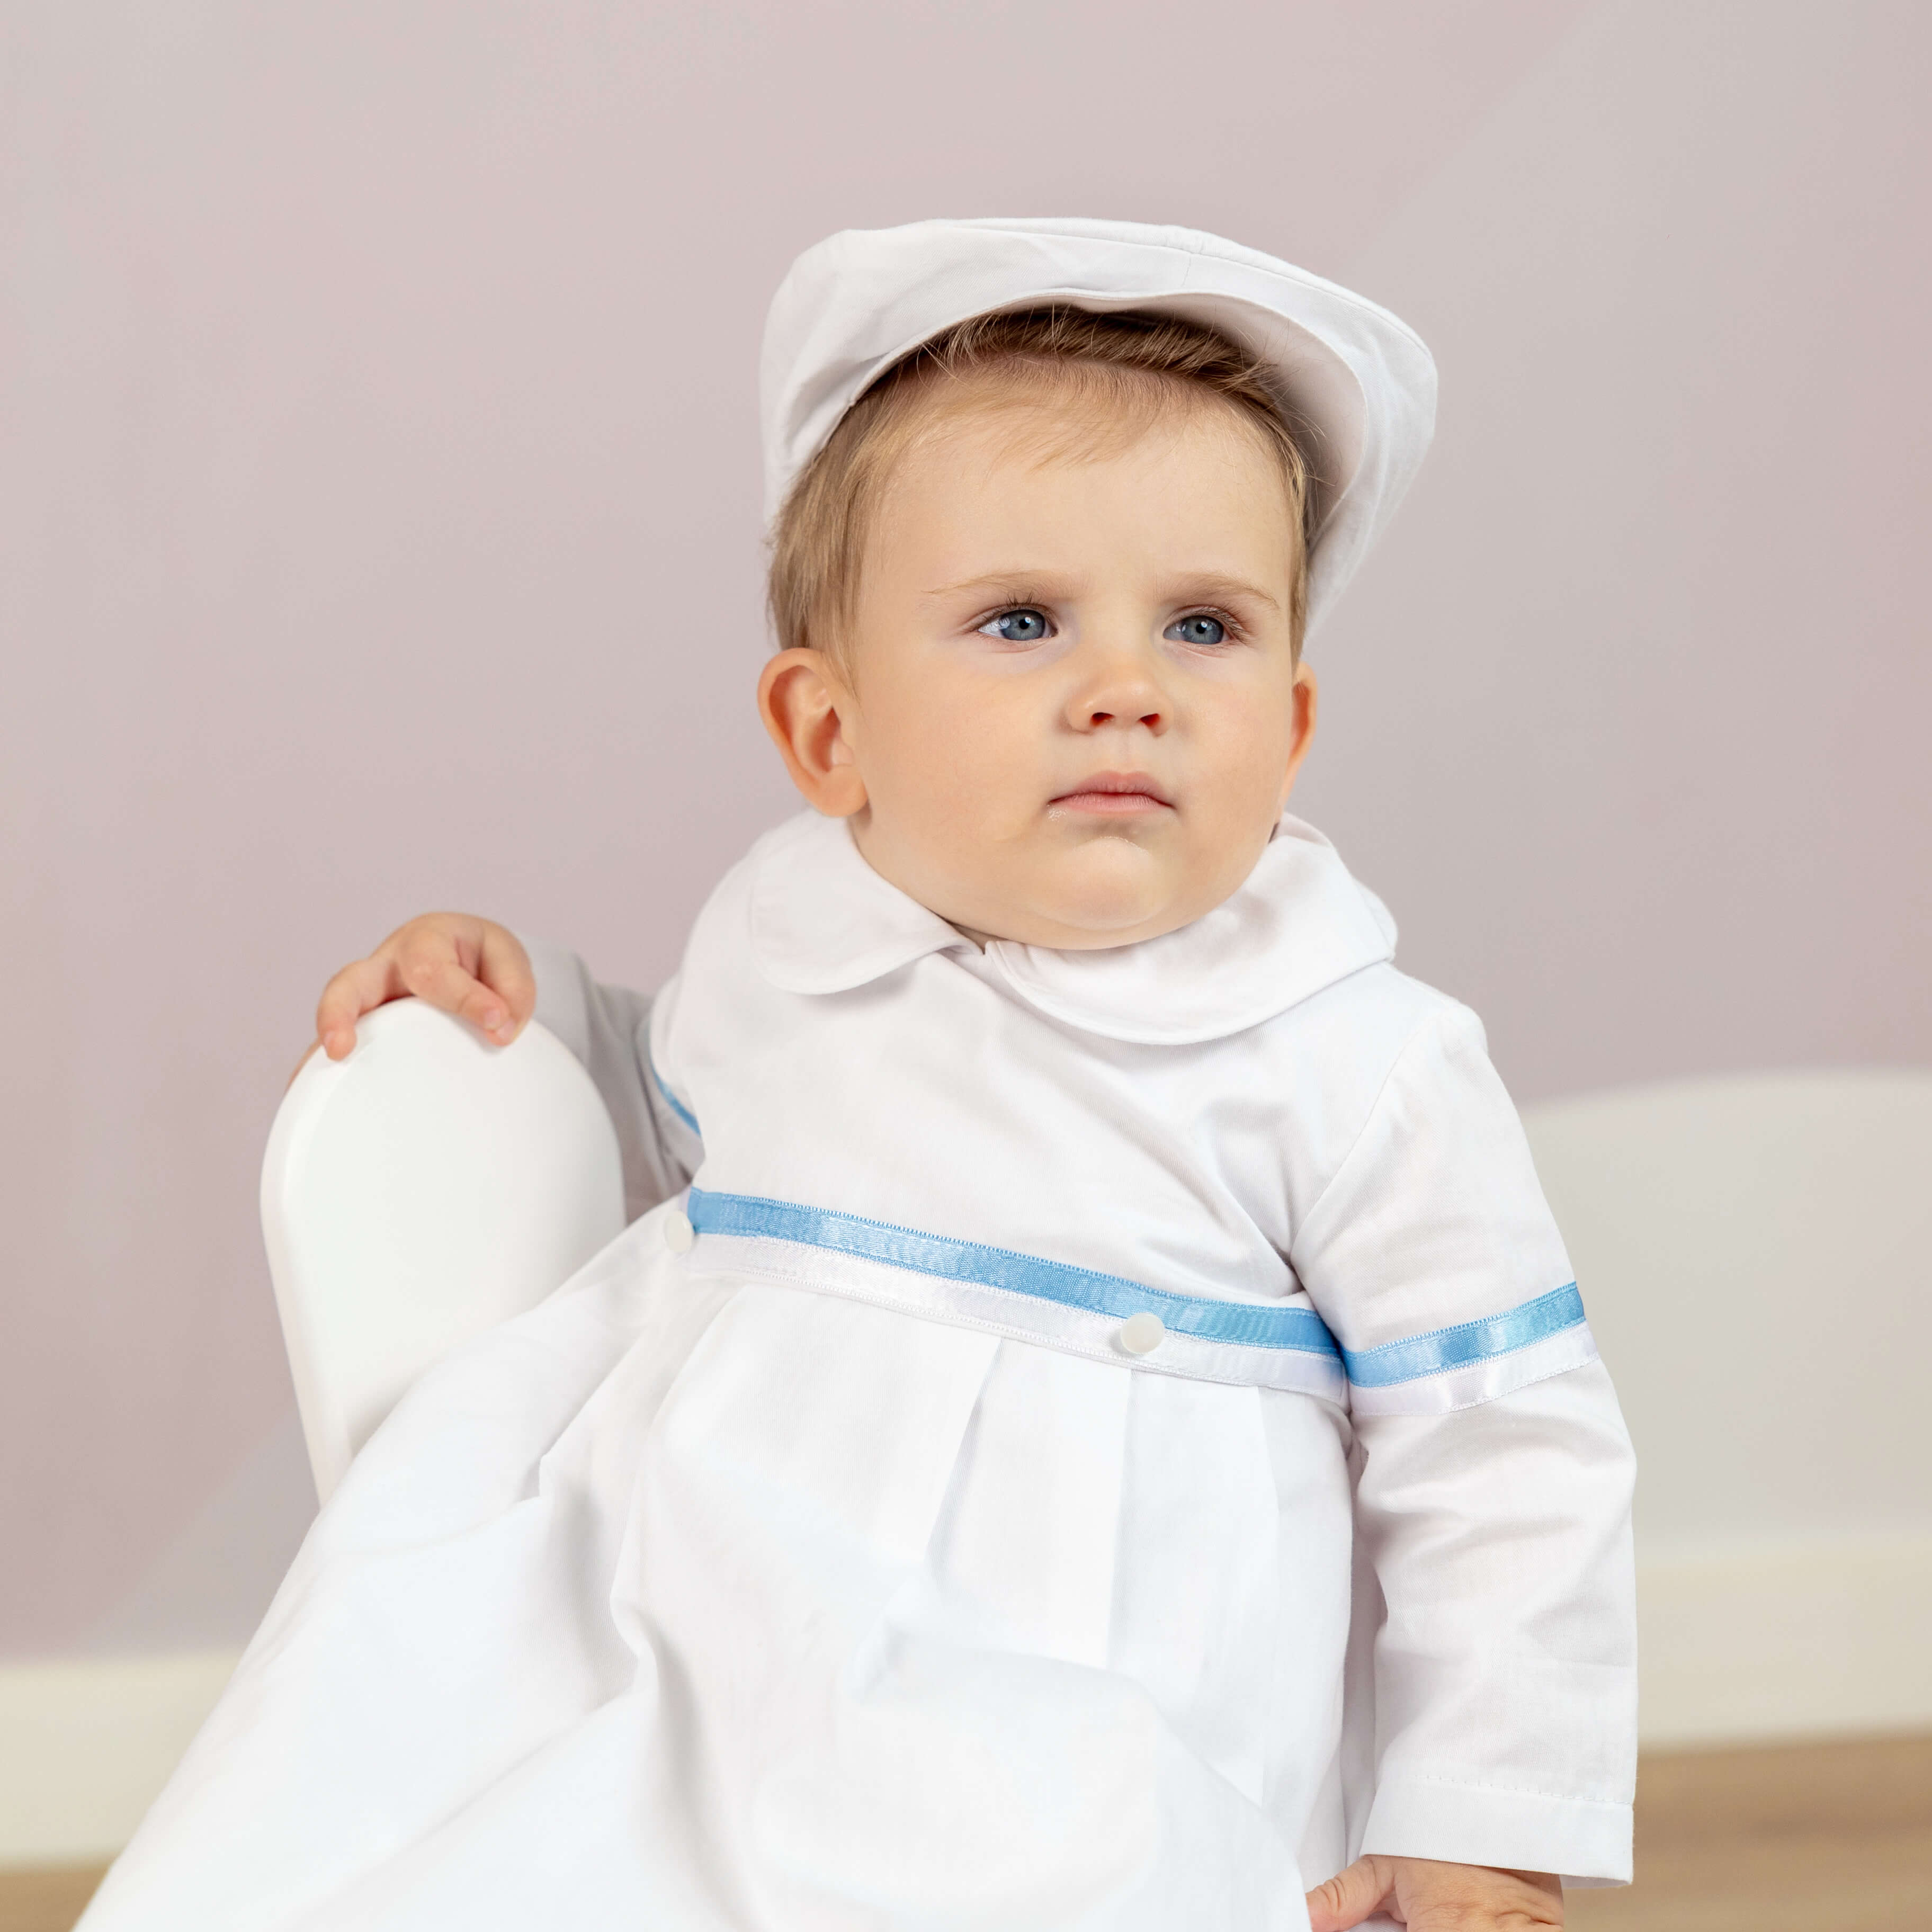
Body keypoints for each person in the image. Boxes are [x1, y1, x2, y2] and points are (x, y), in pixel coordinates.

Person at [82, 219, 1635, 1932]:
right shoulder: (787, 936)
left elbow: (1504, 1451)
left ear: (1296, 722)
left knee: (1079, 1856)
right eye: (1024, 620)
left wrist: (1485, 1814)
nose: (1127, 690)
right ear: (831, 734)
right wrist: (508, 1003)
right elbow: (674, 1115)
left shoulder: (1356, 1054)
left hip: (1104, 1664)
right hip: (726, 1615)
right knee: (512, 1822)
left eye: (1204, 627)